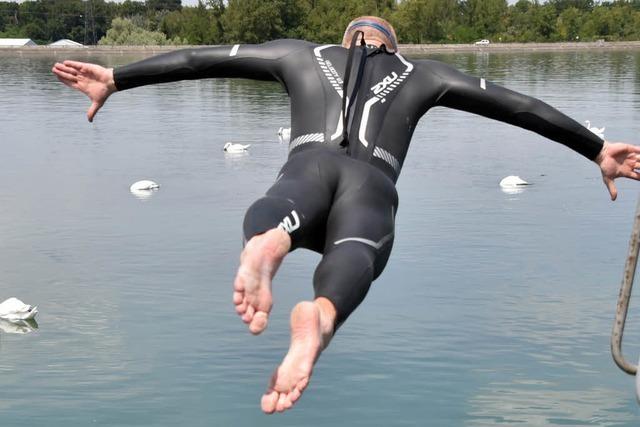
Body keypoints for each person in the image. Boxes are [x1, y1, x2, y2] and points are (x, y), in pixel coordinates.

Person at [52, 16, 640, 414]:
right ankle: (323, 318)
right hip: (372, 180)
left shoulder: (298, 55)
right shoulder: (424, 74)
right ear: (392, 45)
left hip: (305, 169)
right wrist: (595, 148)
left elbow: (204, 59)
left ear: (347, 38)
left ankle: (267, 247)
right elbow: (519, 105)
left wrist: (117, 77)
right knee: (358, 251)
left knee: (278, 212)